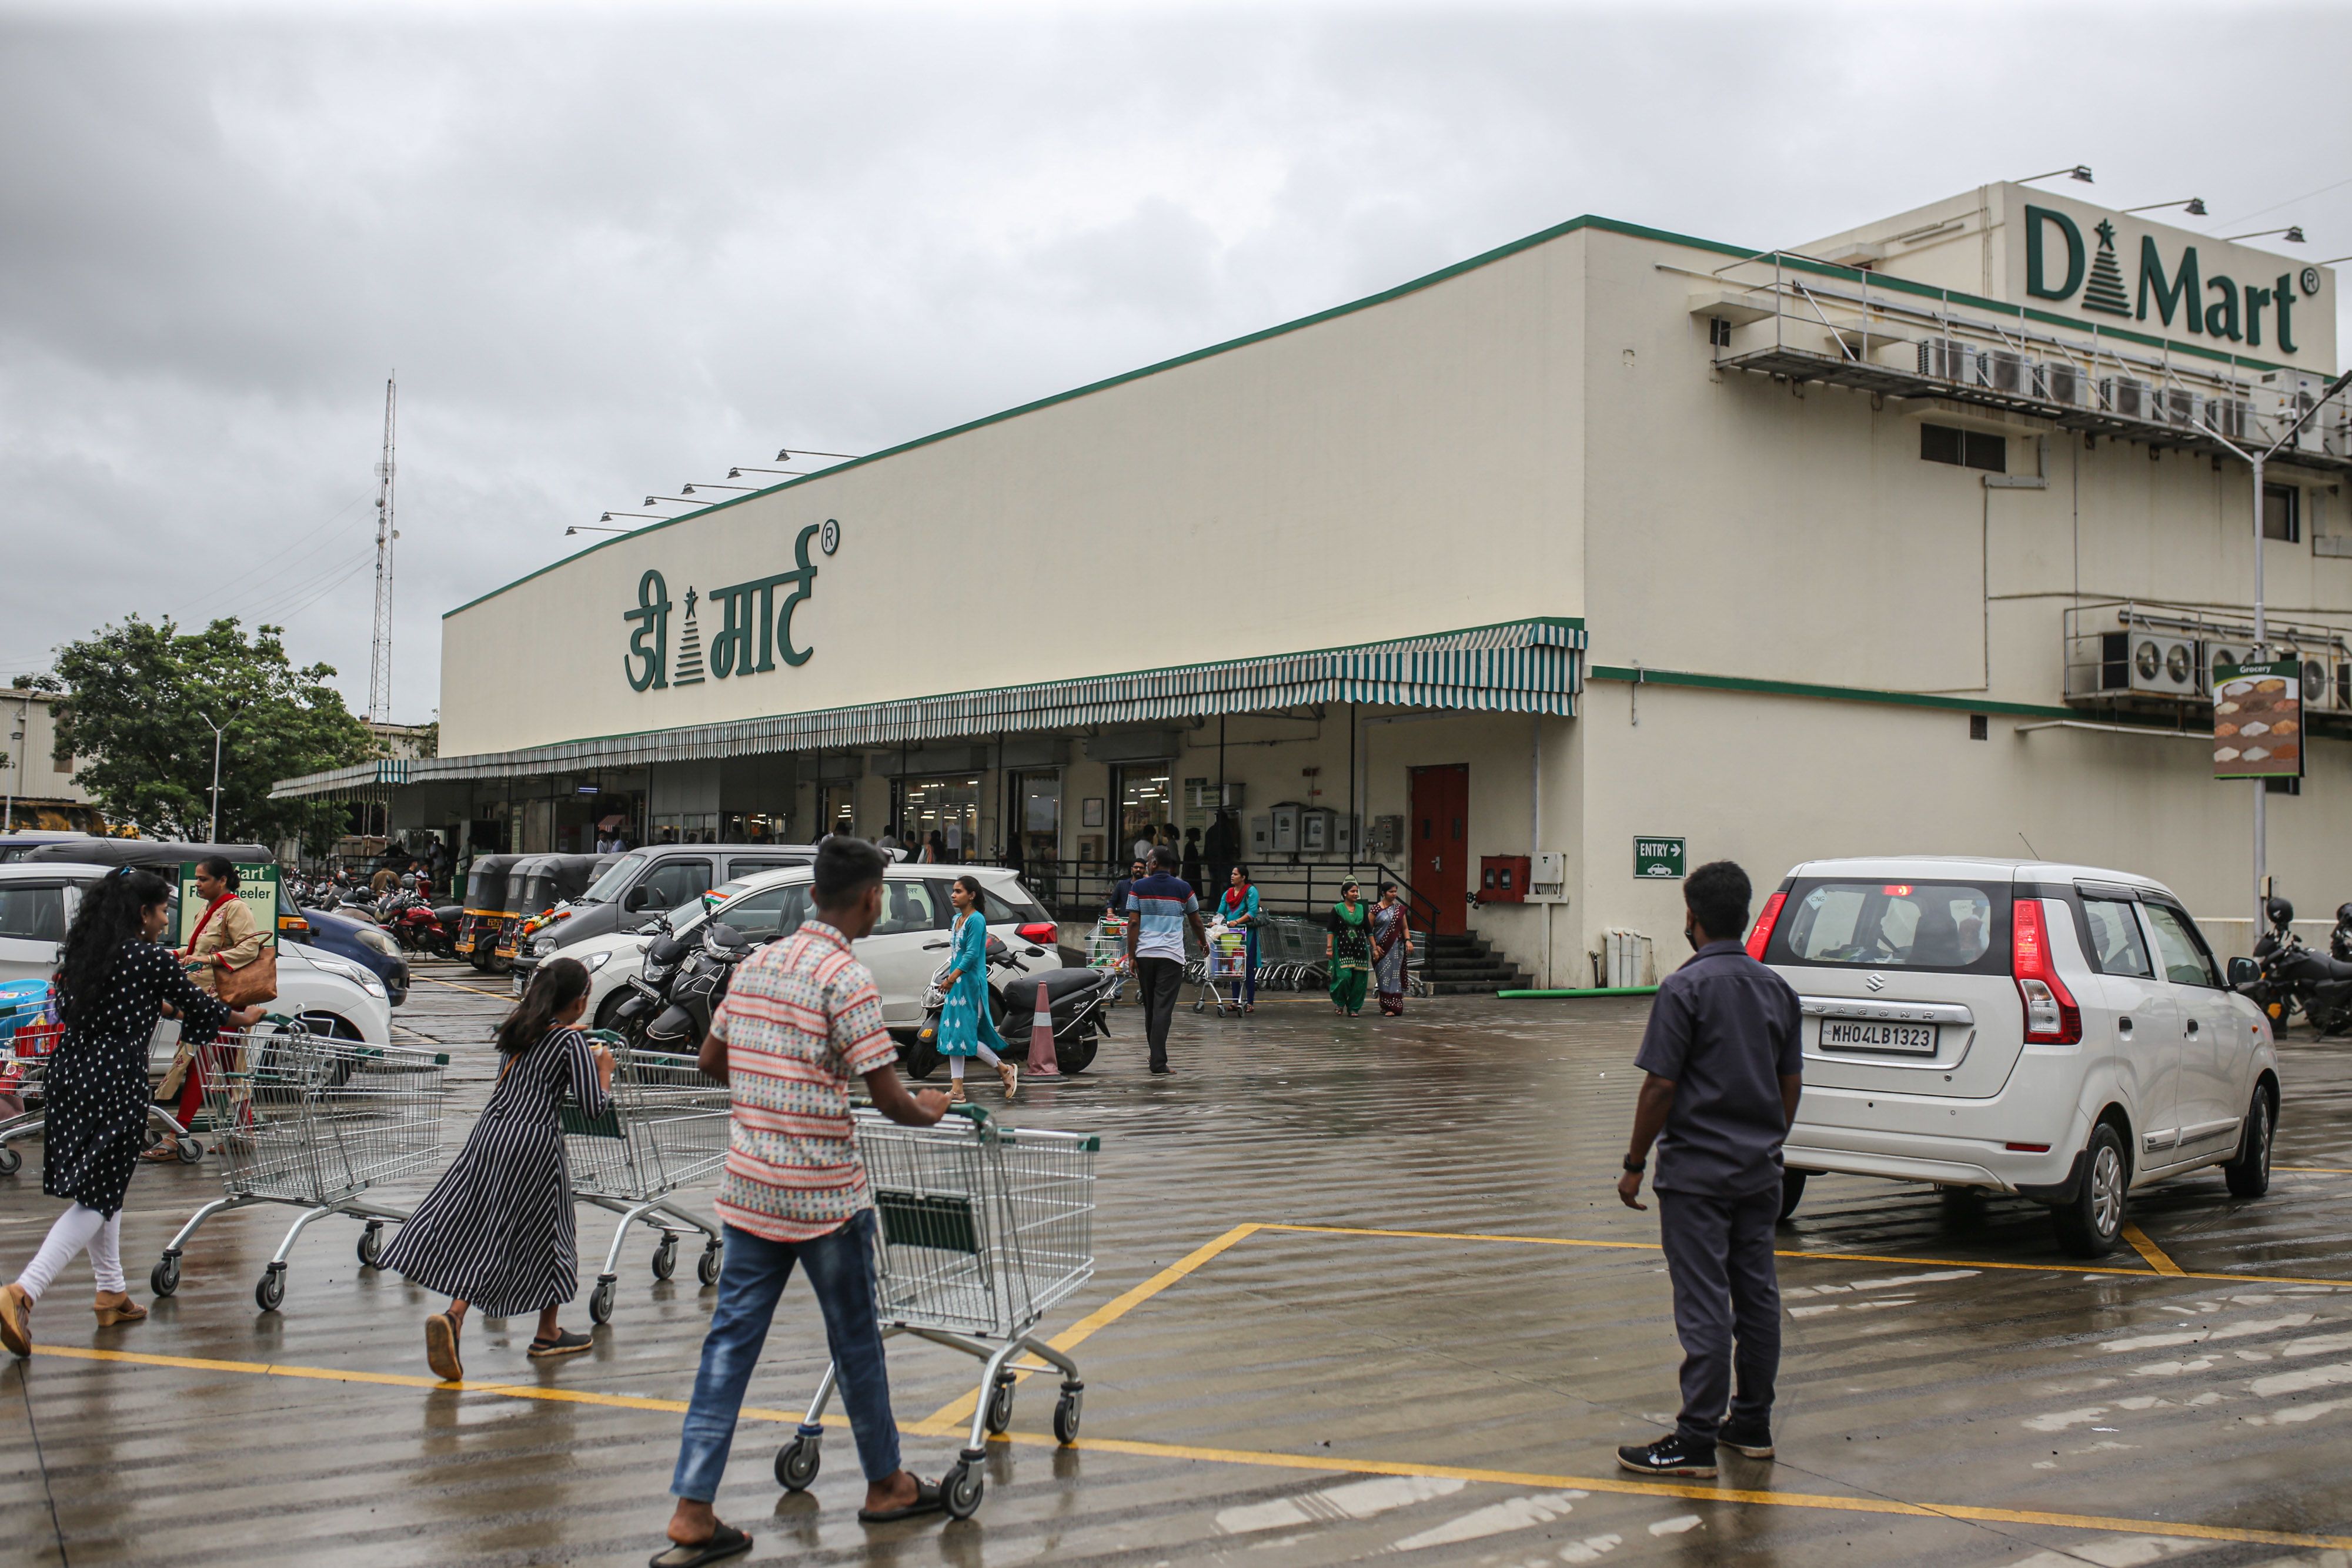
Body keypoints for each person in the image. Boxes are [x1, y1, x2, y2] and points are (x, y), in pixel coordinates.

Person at [657, 837, 951, 1566]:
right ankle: (886, 1484)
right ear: (872, 898)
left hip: (750, 1191)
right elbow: (889, 1096)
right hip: (825, 1200)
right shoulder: (846, 978)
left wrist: (768, 1090)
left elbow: (711, 1059)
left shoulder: (758, 964)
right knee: (855, 1341)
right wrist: (930, 1109)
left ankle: (693, 1509)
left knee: (729, 1345)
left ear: (815, 893)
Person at [1, 870, 263, 1356]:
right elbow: (197, 1005)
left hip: (71, 1074)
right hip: (114, 1080)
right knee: (97, 1197)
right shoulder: (148, 957)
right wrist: (242, 1016)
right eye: (161, 911)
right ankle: (23, 1291)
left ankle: (111, 1292)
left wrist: (160, 1008)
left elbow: (108, 1005)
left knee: (106, 1186)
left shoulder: (88, 954)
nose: (165, 921)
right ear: (142, 913)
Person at [1614, 860, 1803, 1480]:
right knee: (1757, 1296)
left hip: (1697, 1176)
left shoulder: (1683, 989)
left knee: (1703, 1303)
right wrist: (1768, 1140)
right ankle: (1751, 1422)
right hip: (1759, 1172)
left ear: (1692, 917)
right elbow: (1790, 1083)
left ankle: (1695, 1437)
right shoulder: (1777, 990)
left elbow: (1660, 1086)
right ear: (1744, 915)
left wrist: (1634, 1163)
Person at [379, 957, 615, 1378]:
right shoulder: (570, 1043)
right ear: (579, 1002)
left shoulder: (519, 1032)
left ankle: (530, 1329)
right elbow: (594, 1108)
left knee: (490, 1228)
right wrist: (604, 1072)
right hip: (533, 1143)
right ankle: (472, 1320)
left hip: (490, 1135)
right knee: (549, 1234)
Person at [151, 854, 265, 1163]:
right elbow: (196, 949)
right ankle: (244, 1133)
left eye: (204, 879)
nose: (198, 884)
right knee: (231, 1069)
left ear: (223, 880)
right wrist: (176, 955)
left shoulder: (237, 908)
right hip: (204, 999)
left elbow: (250, 947)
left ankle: (177, 1135)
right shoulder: (207, 909)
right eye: (197, 879)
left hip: (224, 1000)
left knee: (198, 1064)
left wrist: (208, 960)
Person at [1122, 845, 1205, 1076]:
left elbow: (1133, 923)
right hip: (1171, 957)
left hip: (1145, 955)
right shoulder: (1184, 888)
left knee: (1151, 1008)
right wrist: (1203, 942)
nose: (1147, 865)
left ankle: (1156, 1056)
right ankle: (1158, 1061)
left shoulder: (1138, 887)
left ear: (1155, 863)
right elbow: (1196, 921)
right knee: (1163, 1009)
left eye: (1149, 860)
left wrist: (1132, 955)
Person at [937, 874, 1018, 1105]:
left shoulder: (977, 920)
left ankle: (1004, 1069)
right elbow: (957, 953)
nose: (953, 895)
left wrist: (951, 978)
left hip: (971, 985)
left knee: (965, 1036)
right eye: (953, 891)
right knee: (954, 1036)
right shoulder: (956, 919)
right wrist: (950, 977)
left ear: (972, 895)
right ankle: (957, 1090)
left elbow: (972, 954)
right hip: (956, 984)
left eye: (959, 891)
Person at [1214, 865, 1261, 1013]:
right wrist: (1215, 922)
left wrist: (1237, 921)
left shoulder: (1251, 891)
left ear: (1243, 877)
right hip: (1231, 935)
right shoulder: (1228, 893)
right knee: (1234, 967)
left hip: (1247, 934)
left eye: (1235, 874)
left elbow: (1252, 912)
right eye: (1232, 874)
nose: (1232, 876)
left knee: (1248, 967)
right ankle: (1236, 1001)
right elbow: (1221, 912)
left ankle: (1250, 1002)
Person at [1325, 880, 1372, 1015]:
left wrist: (1375, 948)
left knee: (1359, 980)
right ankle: (1340, 1002)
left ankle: (1353, 1008)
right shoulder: (1338, 909)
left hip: (1359, 949)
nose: (1356, 894)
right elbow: (1330, 930)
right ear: (1345, 894)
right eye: (1353, 891)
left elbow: (1368, 930)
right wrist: (1329, 948)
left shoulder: (1361, 909)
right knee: (1344, 977)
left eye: (1357, 891)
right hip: (1342, 948)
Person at [1371, 882, 1412, 1017]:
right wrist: (1375, 947)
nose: (1394, 894)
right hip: (1381, 950)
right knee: (1383, 977)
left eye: (1395, 891)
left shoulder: (1399, 909)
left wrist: (1408, 940)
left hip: (1396, 949)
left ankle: (1394, 1006)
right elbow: (1368, 930)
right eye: (1391, 892)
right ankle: (1385, 1004)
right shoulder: (1376, 909)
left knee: (1395, 977)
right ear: (1383, 893)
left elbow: (1405, 928)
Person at [1107, 856, 1145, 923]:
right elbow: (1112, 902)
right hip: (1124, 921)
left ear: (1145, 870)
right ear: (1132, 869)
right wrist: (1110, 913)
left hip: (1142, 922)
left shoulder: (1148, 886)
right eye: (1136, 867)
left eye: (1141, 868)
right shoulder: (1122, 884)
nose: (1138, 869)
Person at [1181, 828, 1204, 895]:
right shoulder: (1190, 846)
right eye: (1198, 835)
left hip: (1190, 873)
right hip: (1192, 874)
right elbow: (1192, 860)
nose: (1200, 836)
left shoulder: (1190, 845)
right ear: (1194, 836)